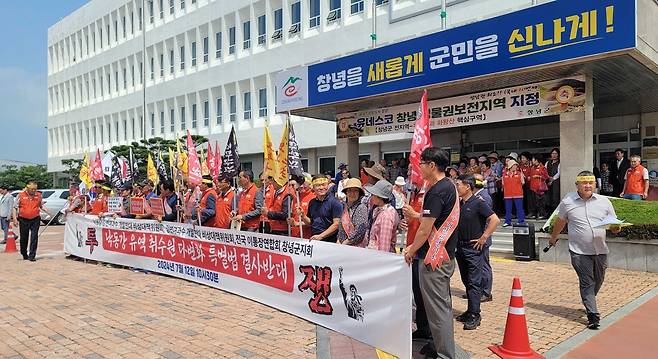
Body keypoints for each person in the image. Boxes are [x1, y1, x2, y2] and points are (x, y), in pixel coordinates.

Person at [403, 147, 459, 359]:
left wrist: (411, 249)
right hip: (442, 256)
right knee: (439, 307)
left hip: (434, 258)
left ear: (432, 165)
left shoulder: (437, 190)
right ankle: (437, 346)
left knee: (438, 311)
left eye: (422, 164)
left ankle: (445, 354)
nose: (420, 168)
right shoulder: (448, 187)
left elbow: (426, 229)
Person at [548, 171, 621, 329]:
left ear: (595, 184)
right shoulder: (568, 202)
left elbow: (614, 226)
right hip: (579, 251)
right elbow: (561, 222)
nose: (588, 185)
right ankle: (593, 315)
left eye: (591, 183)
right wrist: (553, 237)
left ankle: (588, 299)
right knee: (587, 281)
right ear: (577, 185)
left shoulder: (604, 202)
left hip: (600, 250)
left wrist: (616, 228)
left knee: (598, 280)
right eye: (584, 183)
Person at [454, 175, 499, 330]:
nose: (457, 186)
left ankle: (475, 314)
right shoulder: (459, 203)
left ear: (468, 186)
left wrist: (484, 237)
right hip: (460, 248)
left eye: (458, 184)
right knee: (466, 280)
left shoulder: (478, 203)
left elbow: (495, 219)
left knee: (474, 282)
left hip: (473, 249)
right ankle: (470, 310)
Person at [401, 184, 431, 340]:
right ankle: (422, 328)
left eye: (414, 169)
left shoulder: (431, 193)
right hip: (412, 247)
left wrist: (414, 215)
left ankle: (431, 332)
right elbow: (412, 220)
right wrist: (404, 222)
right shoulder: (412, 194)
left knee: (426, 293)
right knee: (417, 293)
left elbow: (431, 221)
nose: (410, 173)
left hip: (423, 249)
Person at [12, 181, 50, 261]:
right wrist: (15, 219)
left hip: (35, 219)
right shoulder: (20, 195)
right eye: (32, 189)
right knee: (24, 238)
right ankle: (24, 253)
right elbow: (15, 207)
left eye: (35, 189)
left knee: (34, 237)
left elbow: (41, 205)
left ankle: (32, 255)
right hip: (23, 219)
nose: (33, 191)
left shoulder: (38, 195)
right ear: (28, 188)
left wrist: (46, 209)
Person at [297, 175, 342, 242]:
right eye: (318, 185)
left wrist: (321, 236)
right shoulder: (312, 202)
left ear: (327, 186)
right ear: (313, 187)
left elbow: (337, 224)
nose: (321, 188)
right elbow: (310, 223)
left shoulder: (335, 202)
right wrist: (303, 215)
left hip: (330, 241)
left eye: (323, 185)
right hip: (315, 239)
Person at [472, 173, 493, 302]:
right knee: (477, 266)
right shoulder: (476, 196)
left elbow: (489, 219)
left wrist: (484, 236)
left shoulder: (484, 197)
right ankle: (478, 291)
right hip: (476, 236)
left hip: (482, 237)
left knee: (484, 265)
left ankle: (486, 292)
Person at [363, 180, 399, 252]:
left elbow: (384, 245)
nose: (371, 197)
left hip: (378, 256)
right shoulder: (381, 211)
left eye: (373, 195)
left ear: (380, 197)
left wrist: (381, 260)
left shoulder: (386, 216)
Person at [337, 178, 369, 247]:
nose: (352, 193)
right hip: (343, 246)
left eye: (355, 190)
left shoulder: (361, 208)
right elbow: (341, 228)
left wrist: (346, 242)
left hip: (354, 248)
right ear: (346, 192)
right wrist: (338, 240)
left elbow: (359, 232)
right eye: (349, 190)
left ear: (359, 193)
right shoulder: (344, 206)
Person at [289, 173, 316, 239]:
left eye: (304, 184)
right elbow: (293, 216)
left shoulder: (314, 198)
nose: (301, 186)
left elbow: (314, 221)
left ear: (310, 185)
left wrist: (298, 223)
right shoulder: (295, 198)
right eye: (299, 184)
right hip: (294, 236)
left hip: (308, 237)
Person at [502, 160, 525, 227]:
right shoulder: (504, 174)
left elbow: (523, 182)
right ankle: (507, 221)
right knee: (508, 209)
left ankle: (521, 221)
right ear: (510, 166)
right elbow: (503, 184)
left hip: (518, 194)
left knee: (519, 208)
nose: (515, 166)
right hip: (507, 194)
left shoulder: (519, 173)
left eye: (516, 165)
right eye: (514, 165)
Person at [528, 154, 550, 220]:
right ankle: (536, 214)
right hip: (533, 188)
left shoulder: (542, 168)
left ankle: (543, 214)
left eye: (533, 159)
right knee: (535, 202)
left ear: (537, 160)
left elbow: (546, 177)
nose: (532, 161)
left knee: (541, 203)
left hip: (540, 189)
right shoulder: (532, 168)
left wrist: (538, 176)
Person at [546, 147, 561, 212]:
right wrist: (548, 178)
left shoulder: (560, 163)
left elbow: (559, 173)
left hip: (556, 182)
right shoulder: (547, 163)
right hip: (548, 181)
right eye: (553, 153)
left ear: (558, 155)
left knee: (555, 197)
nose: (554, 155)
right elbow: (544, 171)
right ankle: (548, 212)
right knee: (548, 197)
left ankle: (555, 213)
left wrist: (552, 179)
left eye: (556, 153)